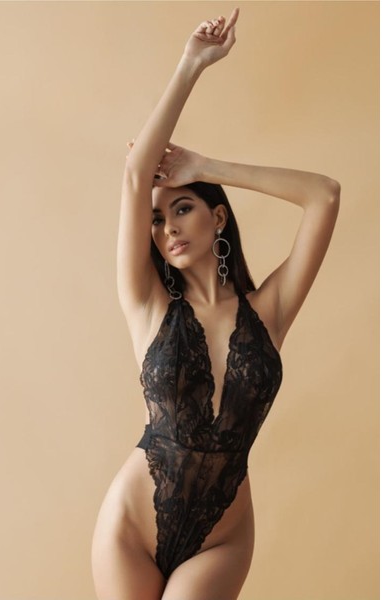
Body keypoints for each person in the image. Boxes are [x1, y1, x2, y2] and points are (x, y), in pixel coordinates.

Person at [91, 8, 340, 600]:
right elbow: (134, 175)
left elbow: (324, 196)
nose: (169, 228)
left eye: (183, 207)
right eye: (157, 220)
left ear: (217, 217)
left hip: (221, 538)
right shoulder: (148, 305)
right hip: (132, 528)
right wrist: (191, 65)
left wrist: (205, 167)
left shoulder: (268, 312)